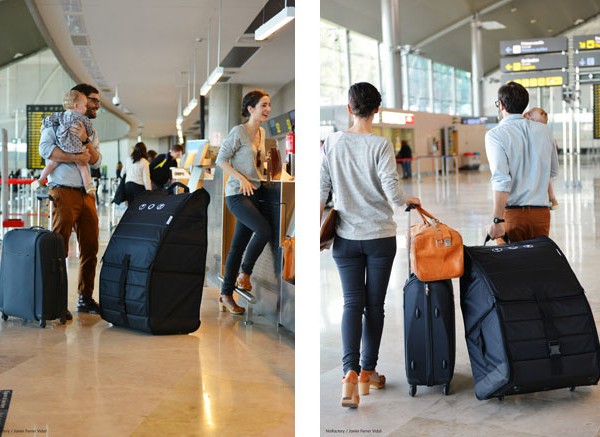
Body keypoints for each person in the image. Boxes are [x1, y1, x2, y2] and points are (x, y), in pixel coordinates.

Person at [319, 82, 421, 409]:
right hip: (379, 239)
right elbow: (393, 193)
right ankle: (368, 373)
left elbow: (321, 193)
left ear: (349, 108)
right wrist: (409, 200)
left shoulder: (332, 142)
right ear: (376, 109)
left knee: (351, 303)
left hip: (346, 240)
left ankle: (348, 374)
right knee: (374, 306)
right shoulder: (381, 145)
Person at [38, 83, 103, 318]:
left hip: (86, 195)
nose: (96, 105)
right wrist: (76, 157)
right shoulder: (54, 122)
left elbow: (95, 160)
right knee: (59, 248)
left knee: (90, 247)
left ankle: (85, 298)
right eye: (93, 101)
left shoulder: (89, 129)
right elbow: (46, 151)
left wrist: (85, 141)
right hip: (62, 191)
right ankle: (55, 302)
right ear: (80, 101)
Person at [215, 89, 273, 315]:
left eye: (269, 105)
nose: (268, 109)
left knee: (237, 247)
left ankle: (225, 294)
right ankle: (244, 274)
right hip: (237, 194)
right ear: (251, 108)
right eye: (263, 105)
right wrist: (240, 179)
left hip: (255, 192)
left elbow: (257, 164)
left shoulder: (262, 133)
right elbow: (222, 160)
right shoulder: (238, 131)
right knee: (263, 230)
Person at [486, 81, 558, 243]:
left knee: (510, 266)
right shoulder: (545, 131)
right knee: (537, 264)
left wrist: (497, 220)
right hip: (541, 215)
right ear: (524, 105)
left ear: (501, 105)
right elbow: (552, 171)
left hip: (512, 215)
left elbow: (501, 180)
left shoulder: (495, 135)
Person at [32, 90, 96, 193]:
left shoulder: (60, 115)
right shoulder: (83, 119)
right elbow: (89, 131)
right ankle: (88, 186)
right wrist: (87, 134)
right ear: (76, 106)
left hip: (62, 146)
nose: (86, 108)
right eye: (84, 106)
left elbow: (49, 119)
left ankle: (40, 180)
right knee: (82, 166)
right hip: (76, 148)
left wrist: (43, 125)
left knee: (51, 164)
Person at [523, 107, 559, 210]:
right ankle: (552, 198)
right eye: (542, 113)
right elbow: (553, 171)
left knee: (545, 173)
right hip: (538, 203)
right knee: (545, 173)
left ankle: (552, 197)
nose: (545, 114)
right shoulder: (545, 132)